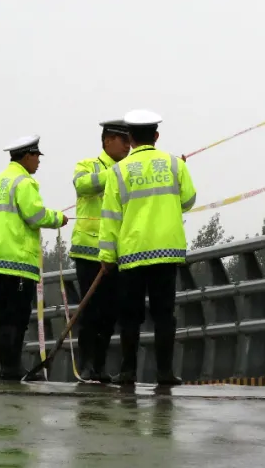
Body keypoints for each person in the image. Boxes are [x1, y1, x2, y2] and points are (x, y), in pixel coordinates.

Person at [99, 109, 196, 386]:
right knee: (164, 315)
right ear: (156, 136)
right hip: (166, 252)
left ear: (130, 138)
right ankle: (165, 373)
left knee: (130, 317)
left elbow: (110, 218)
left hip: (132, 254)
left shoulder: (117, 172)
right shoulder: (176, 165)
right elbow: (188, 201)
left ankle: (128, 372)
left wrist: (106, 257)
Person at [0, 135, 68, 381]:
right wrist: (58, 218)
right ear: (27, 155)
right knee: (16, 317)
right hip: (16, 260)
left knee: (2, 315)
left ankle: (7, 367)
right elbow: (35, 215)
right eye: (37, 157)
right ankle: (12, 368)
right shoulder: (24, 183)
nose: (38, 162)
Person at [69, 118, 131, 383]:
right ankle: (86, 366)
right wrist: (122, 172)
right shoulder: (88, 165)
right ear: (107, 140)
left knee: (110, 313)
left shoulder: (129, 170)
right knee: (90, 312)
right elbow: (83, 185)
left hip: (118, 252)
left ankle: (101, 366)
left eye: (131, 140)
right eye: (123, 140)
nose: (128, 146)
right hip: (89, 251)